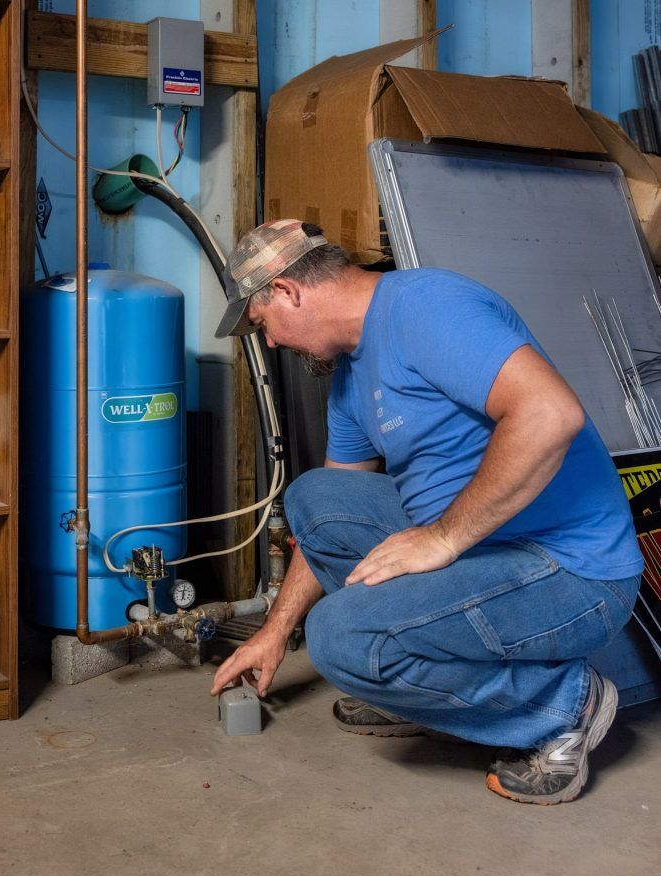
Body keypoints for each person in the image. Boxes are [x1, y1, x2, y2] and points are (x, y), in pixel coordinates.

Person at [211, 219, 643, 805]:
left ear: (287, 291)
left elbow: (550, 414)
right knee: (315, 498)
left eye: (263, 325)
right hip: (484, 550)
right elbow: (323, 531)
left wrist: (442, 537)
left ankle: (564, 705)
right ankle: (418, 684)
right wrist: (273, 631)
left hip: (569, 571)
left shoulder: (425, 306)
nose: (271, 343)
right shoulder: (348, 378)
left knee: (339, 638)